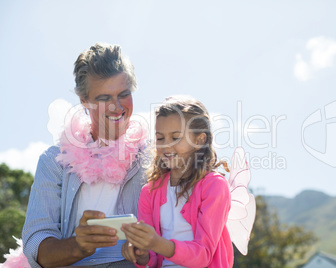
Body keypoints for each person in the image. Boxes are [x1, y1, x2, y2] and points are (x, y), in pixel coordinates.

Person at [22, 43, 148, 267]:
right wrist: (77, 246)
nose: (116, 107)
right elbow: (35, 242)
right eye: (103, 98)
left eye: (124, 94)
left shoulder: (154, 156)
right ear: (84, 101)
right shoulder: (54, 161)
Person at [121, 96, 234, 267]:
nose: (166, 146)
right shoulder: (150, 192)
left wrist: (157, 243)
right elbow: (151, 259)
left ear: (199, 140)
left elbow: (204, 254)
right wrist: (141, 253)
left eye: (175, 138)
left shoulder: (214, 186)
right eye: (160, 138)